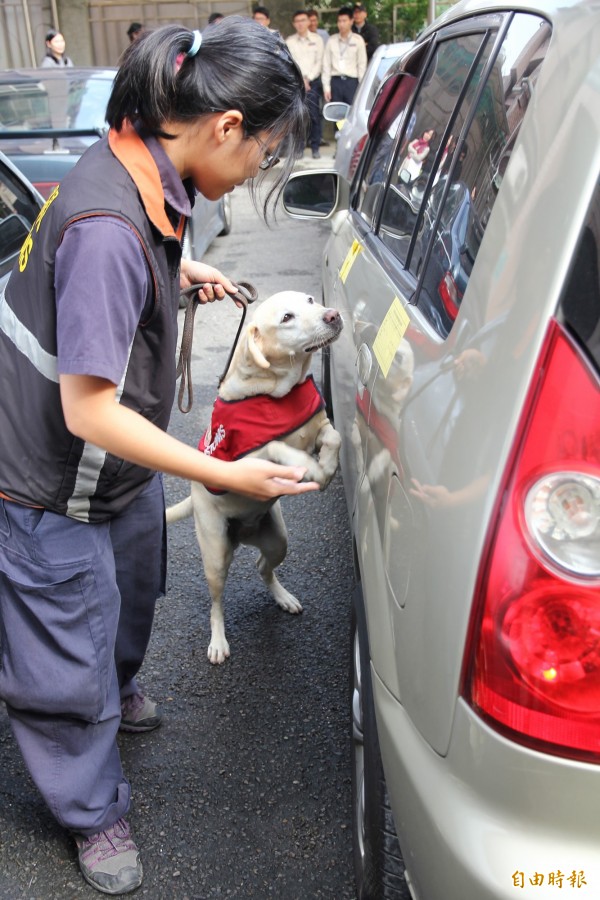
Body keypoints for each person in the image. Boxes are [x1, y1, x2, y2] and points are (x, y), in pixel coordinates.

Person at [0, 20, 313, 896]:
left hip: (114, 467)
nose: (260, 166)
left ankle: (117, 683)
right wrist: (220, 472)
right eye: (266, 147)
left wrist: (182, 272)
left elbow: (136, 259)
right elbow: (88, 406)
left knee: (133, 587)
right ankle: (89, 809)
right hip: (47, 472)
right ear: (223, 126)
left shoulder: (144, 170)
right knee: (63, 650)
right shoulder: (106, 223)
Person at [286, 9, 324, 159]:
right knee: (298, 117)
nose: (300, 24)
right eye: (297, 21)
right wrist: (301, 79)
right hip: (296, 84)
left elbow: (319, 62)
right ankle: (299, 147)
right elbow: (289, 63)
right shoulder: (289, 42)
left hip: (313, 83)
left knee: (314, 116)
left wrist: (308, 78)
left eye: (303, 20)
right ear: (294, 24)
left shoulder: (317, 40)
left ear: (309, 22)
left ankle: (315, 147)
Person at [322, 6, 367, 104]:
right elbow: (326, 66)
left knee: (351, 114)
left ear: (351, 21)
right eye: (339, 21)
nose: (341, 24)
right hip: (335, 82)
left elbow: (361, 66)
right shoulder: (331, 41)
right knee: (336, 115)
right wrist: (326, 87)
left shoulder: (358, 40)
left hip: (352, 82)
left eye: (344, 21)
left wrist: (362, 88)